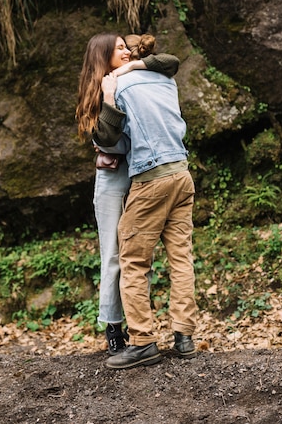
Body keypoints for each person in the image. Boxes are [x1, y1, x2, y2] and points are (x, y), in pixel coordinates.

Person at [76, 32, 179, 356]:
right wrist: (108, 94)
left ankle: (141, 330)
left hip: (140, 174)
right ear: (102, 56)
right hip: (110, 180)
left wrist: (126, 70)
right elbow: (106, 138)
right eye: (118, 48)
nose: (125, 51)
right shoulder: (100, 90)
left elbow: (170, 62)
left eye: (125, 46)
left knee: (137, 254)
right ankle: (113, 327)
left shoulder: (129, 77)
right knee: (114, 255)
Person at [95, 53, 197, 370]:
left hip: (151, 179)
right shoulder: (165, 78)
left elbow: (106, 139)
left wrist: (109, 96)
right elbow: (170, 59)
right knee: (181, 256)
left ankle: (142, 342)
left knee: (133, 260)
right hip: (182, 173)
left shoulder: (120, 86)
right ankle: (184, 337)